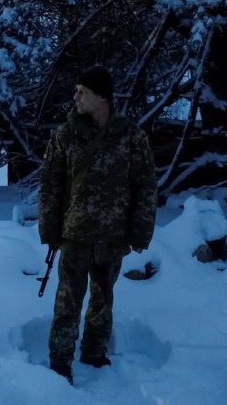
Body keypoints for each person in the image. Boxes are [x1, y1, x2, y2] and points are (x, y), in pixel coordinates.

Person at [38, 65, 158, 384]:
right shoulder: (66, 135)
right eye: (77, 90)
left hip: (113, 236)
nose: (76, 97)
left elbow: (145, 186)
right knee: (67, 301)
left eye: (83, 92)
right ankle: (60, 362)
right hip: (75, 234)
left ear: (102, 97)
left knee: (103, 298)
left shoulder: (131, 136)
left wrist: (140, 232)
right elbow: (50, 184)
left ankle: (93, 351)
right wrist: (49, 230)